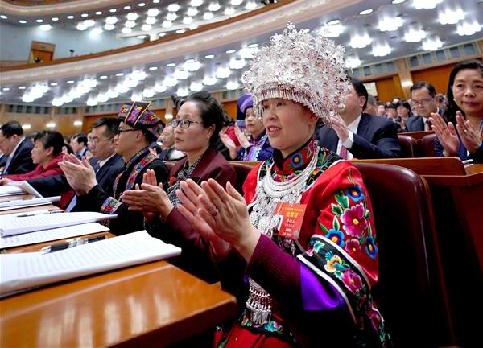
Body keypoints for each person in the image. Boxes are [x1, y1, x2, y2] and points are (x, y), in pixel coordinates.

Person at [140, 25, 390, 346]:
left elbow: (336, 301)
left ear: (312, 113)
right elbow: (240, 281)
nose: (269, 115)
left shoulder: (339, 178)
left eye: (281, 104)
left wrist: (247, 238)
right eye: (265, 105)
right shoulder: (259, 177)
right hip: (248, 318)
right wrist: (223, 247)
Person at [122, 92, 237, 271]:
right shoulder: (178, 167)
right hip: (168, 259)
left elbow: (206, 250)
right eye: (177, 122)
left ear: (209, 130)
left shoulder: (220, 171)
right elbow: (166, 235)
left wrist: (166, 208)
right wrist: (153, 215)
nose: (177, 129)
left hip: (196, 272)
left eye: (187, 122)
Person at [60, 103, 168, 234]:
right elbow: (97, 207)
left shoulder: (154, 169)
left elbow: (130, 222)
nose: (115, 138)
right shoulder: (125, 166)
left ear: (138, 135)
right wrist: (82, 190)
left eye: (120, 131)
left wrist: (92, 186)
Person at [317, 79, 402, 159]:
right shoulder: (324, 131)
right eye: (334, 92)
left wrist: (349, 139)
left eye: (343, 92)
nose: (336, 96)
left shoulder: (382, 126)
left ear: (361, 101)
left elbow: (391, 160)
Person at [430, 59, 483, 162]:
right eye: (460, 86)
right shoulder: (446, 129)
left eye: (478, 86)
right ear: (451, 90)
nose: (469, 93)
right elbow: (443, 174)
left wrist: (478, 151)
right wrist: (450, 153)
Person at [221, 95, 273, 162]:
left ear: (264, 118)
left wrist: (248, 146)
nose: (249, 119)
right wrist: (233, 151)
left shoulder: (271, 139)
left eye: (254, 115)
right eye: (247, 115)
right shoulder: (247, 141)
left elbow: (270, 160)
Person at [0, 130, 65, 183]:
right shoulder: (42, 166)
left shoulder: (58, 169)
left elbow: (32, 180)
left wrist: (11, 181)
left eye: (36, 147)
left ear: (49, 151)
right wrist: (3, 177)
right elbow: (27, 176)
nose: (31, 151)